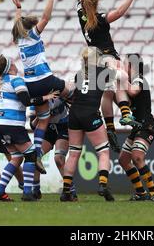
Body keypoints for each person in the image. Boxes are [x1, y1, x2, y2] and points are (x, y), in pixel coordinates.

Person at [77, 0, 142, 151]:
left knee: (109, 90)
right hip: (106, 56)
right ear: (96, 5)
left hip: (95, 59)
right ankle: (124, 114)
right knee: (121, 78)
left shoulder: (82, 14)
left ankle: (112, 127)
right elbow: (121, 11)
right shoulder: (101, 19)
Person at [11, 0, 71, 168]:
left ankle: (37, 154)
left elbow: (17, 24)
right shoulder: (33, 35)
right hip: (45, 78)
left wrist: (18, 9)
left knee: (43, 120)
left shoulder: (19, 39)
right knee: (71, 92)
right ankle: (88, 118)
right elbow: (46, 17)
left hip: (31, 84)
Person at [0, 55, 59, 201]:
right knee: (31, 155)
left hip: (0, 124)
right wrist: (46, 97)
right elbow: (26, 101)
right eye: (13, 62)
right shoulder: (16, 80)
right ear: (10, 67)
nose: (15, 63)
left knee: (17, 157)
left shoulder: (5, 81)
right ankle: (27, 193)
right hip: (12, 124)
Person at [60, 47, 115, 202]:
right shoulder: (104, 72)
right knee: (103, 152)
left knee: (74, 153)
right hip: (90, 114)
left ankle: (66, 191)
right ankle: (103, 185)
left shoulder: (79, 74)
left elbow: (70, 93)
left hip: (74, 115)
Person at [118, 54, 154, 201]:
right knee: (123, 160)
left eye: (125, 64)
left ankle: (153, 192)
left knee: (137, 157)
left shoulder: (139, 79)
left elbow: (133, 91)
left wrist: (120, 79)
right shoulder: (131, 81)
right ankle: (140, 192)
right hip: (137, 127)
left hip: (147, 126)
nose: (123, 67)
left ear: (132, 66)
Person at [29, 99, 77, 200]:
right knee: (34, 156)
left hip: (63, 127)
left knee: (59, 159)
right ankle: (36, 190)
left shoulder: (59, 92)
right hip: (48, 130)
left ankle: (70, 190)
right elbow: (33, 126)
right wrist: (40, 115)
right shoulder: (36, 99)